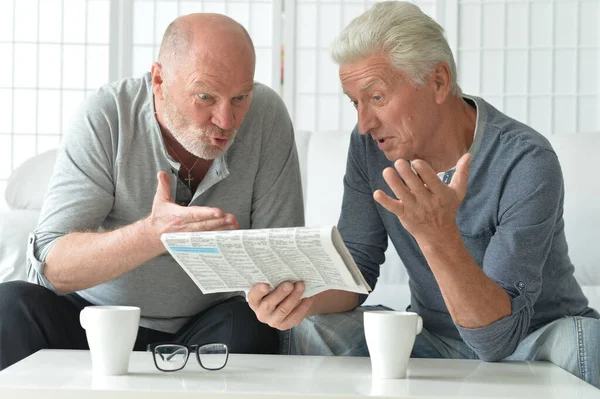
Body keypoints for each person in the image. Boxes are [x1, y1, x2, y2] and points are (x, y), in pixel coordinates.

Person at [249, 1, 600, 388]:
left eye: (377, 97)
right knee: (315, 327)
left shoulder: (525, 160)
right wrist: (299, 299)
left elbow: (496, 339)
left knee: (583, 341)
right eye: (355, 102)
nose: (364, 123)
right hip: (430, 338)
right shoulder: (370, 147)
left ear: (438, 81)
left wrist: (437, 233)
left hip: (530, 340)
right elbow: (357, 266)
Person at [0, 13, 304, 371]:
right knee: (12, 304)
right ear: (159, 80)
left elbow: (282, 258)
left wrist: (279, 296)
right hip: (96, 322)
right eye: (205, 96)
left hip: (210, 327)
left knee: (254, 326)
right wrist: (152, 234)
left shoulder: (267, 117)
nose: (226, 120)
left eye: (240, 97)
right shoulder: (108, 115)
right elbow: (52, 266)